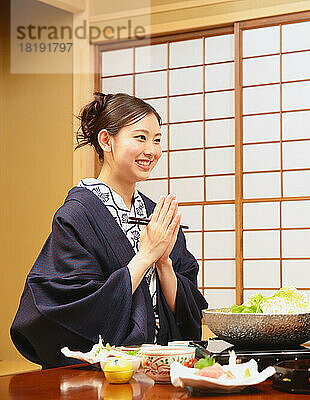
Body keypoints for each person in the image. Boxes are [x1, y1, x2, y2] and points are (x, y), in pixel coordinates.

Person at [11, 92, 208, 368]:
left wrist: (164, 264)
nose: (151, 150)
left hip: (162, 369)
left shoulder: (155, 215)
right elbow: (71, 312)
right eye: (140, 138)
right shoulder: (77, 216)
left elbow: (188, 316)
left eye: (157, 140)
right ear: (106, 141)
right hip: (106, 374)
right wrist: (144, 257)